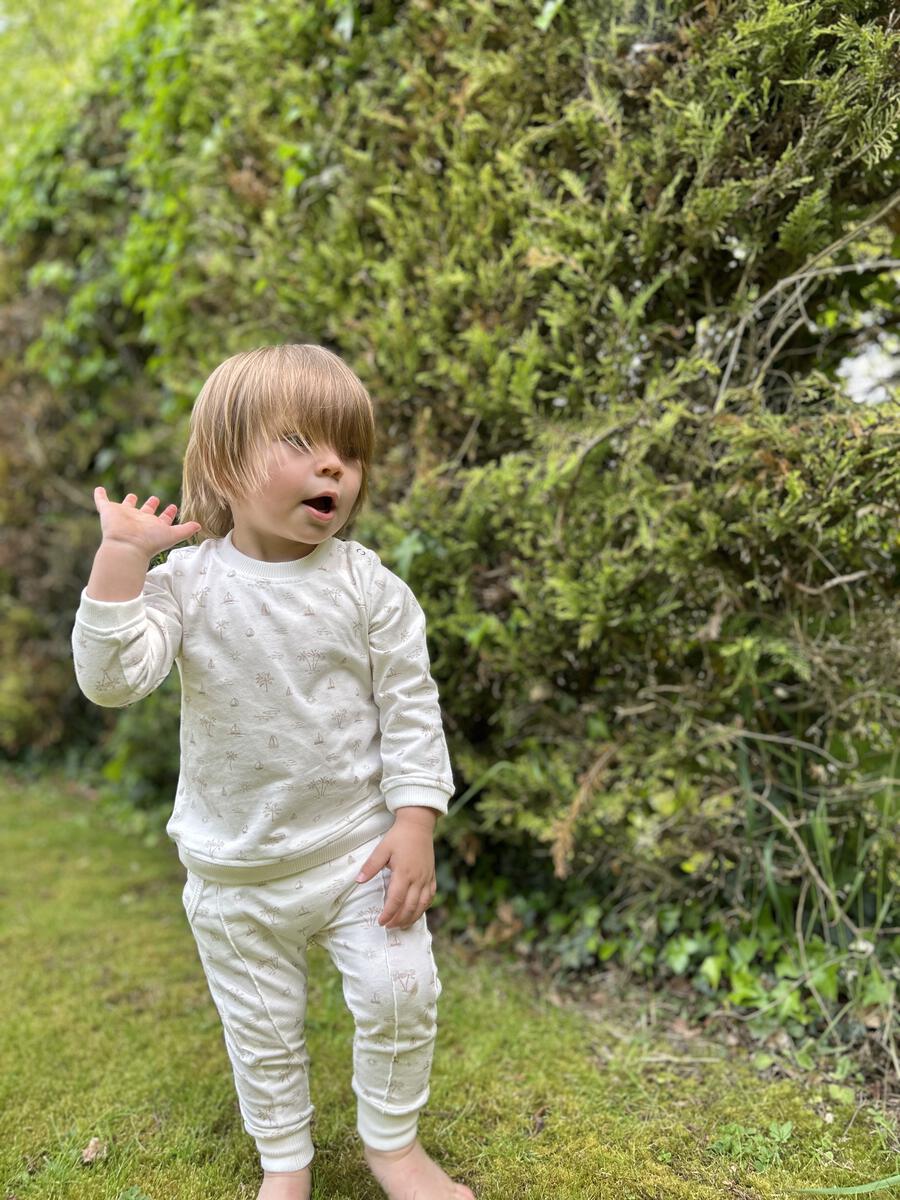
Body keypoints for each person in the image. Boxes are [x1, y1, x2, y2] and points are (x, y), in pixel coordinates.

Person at [71, 343, 476, 1200]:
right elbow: (112, 682)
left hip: (356, 853)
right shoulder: (186, 585)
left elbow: (410, 705)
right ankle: (284, 1165)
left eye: (350, 451)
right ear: (222, 462)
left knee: (403, 992)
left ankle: (393, 1149)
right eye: (299, 440)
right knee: (262, 1029)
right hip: (235, 872)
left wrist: (415, 822)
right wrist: (121, 562)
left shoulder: (367, 587)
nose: (334, 464)